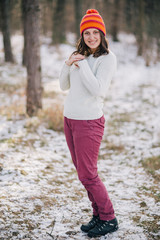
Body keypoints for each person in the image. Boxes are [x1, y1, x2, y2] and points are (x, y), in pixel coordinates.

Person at [59, 9, 118, 238]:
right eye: (87, 33)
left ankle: (109, 217)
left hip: (89, 122)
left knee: (88, 175)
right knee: (83, 173)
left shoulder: (107, 58)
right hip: (70, 119)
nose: (91, 37)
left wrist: (81, 65)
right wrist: (68, 62)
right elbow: (64, 86)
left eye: (95, 32)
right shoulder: (78, 55)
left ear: (102, 35)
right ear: (81, 35)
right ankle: (98, 215)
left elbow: (97, 89)